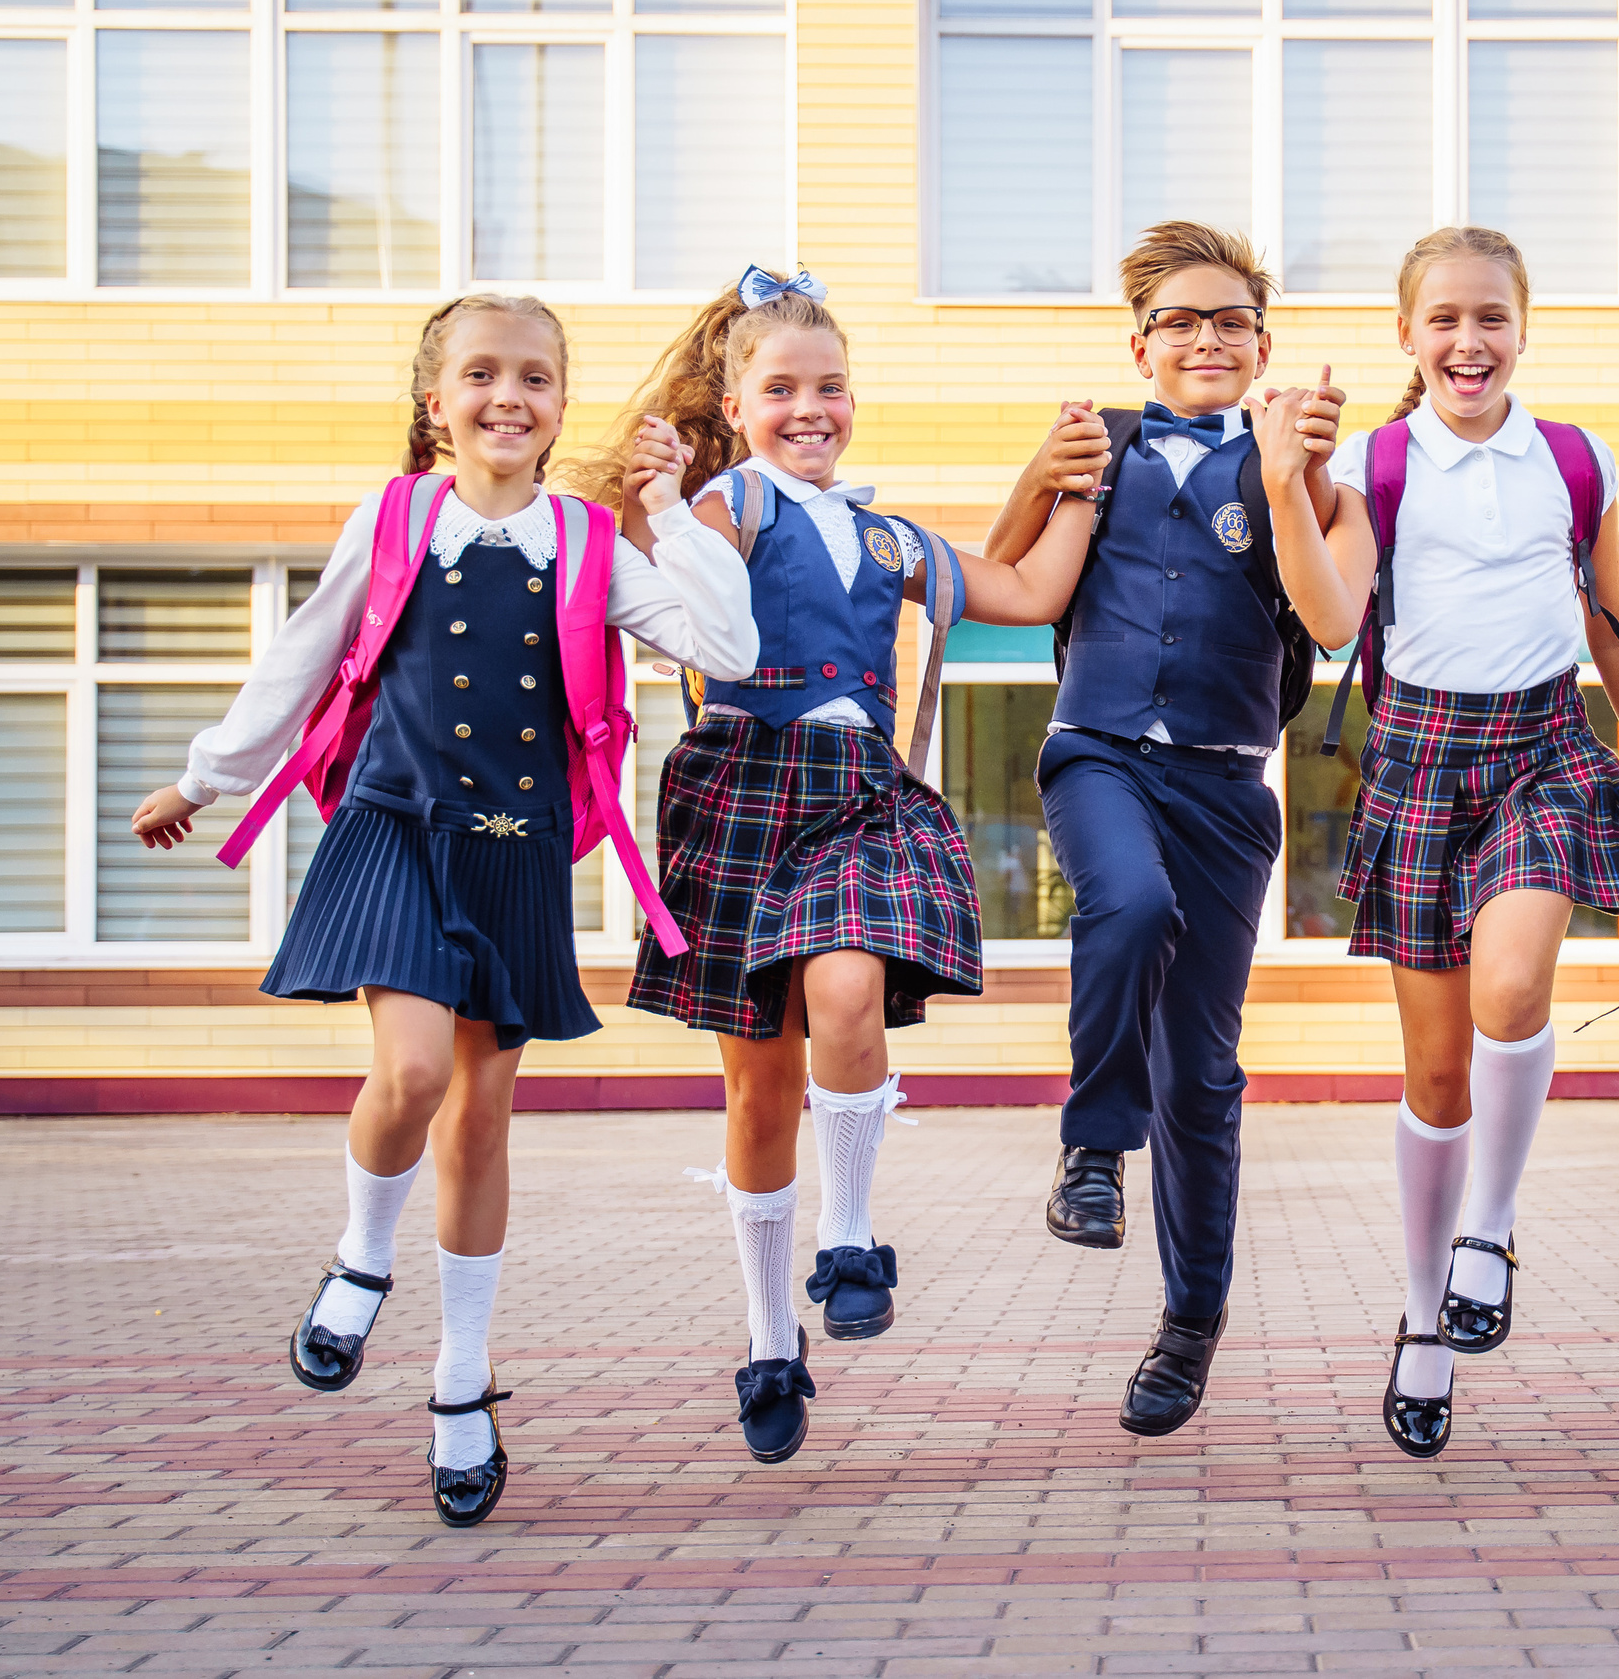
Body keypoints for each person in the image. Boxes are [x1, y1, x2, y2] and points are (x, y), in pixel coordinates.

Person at [129, 294, 757, 1527]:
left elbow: (723, 649)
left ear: (561, 404)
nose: (507, 396)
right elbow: (303, 654)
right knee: (412, 1073)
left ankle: (461, 1385)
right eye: (481, 374)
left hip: (516, 854)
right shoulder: (395, 517)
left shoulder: (588, 541)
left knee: (478, 1121)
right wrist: (205, 778)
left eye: (534, 376)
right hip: (395, 830)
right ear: (437, 404)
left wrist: (672, 511)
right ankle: (363, 1259)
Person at [602, 266, 1098, 1463]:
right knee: (758, 1096)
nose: (809, 409)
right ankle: (771, 1341)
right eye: (780, 389)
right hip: (742, 786)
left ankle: (851, 1237)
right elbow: (648, 569)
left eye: (829, 386)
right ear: (735, 403)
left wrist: (1082, 480)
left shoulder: (887, 536)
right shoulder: (726, 503)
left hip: (859, 794)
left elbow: (1030, 587)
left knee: (848, 989)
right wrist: (659, 493)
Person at [978, 222, 1354, 1437]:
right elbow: (1004, 577)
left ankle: (1189, 1325)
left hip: (1228, 786)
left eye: (1231, 322)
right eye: (1180, 322)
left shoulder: (1298, 466)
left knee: (1201, 1074)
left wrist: (1293, 475)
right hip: (1096, 749)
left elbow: (1329, 613)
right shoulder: (1100, 449)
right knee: (1129, 903)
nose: (1206, 339)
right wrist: (1036, 474)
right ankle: (1093, 1149)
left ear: (1263, 347)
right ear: (1140, 345)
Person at [1305, 227, 1619, 1458]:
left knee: (1512, 989)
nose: (1469, 341)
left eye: (1491, 318)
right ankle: (1421, 1320)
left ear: (1523, 328)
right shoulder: (1372, 462)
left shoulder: (1574, 458)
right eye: (1445, 319)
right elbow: (1332, 614)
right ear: (1407, 335)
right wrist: (1291, 481)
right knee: (1437, 1076)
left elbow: (1608, 626)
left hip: (1543, 751)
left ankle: (1490, 1227)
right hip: (1415, 760)